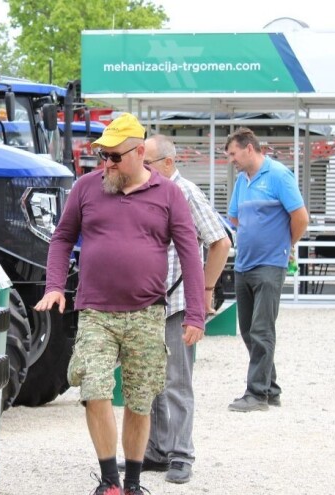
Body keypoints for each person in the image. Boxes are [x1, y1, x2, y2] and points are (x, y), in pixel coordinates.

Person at [35, 114, 205, 495]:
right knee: (94, 389)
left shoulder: (169, 194)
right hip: (96, 312)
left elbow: (191, 254)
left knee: (140, 400)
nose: (106, 164)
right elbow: (62, 239)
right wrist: (55, 286)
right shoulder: (85, 188)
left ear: (140, 152)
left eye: (114, 156)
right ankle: (109, 480)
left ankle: (132, 484)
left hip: (147, 314)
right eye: (102, 155)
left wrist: (195, 312)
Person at [128, 134, 232, 484]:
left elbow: (220, 242)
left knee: (177, 382)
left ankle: (182, 454)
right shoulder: (145, 191)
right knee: (151, 379)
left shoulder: (185, 192)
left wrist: (204, 289)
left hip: (175, 304)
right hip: (146, 305)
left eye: (147, 163)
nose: (140, 169)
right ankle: (157, 450)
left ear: (168, 164)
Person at [225, 127, 309, 413]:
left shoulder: (279, 175)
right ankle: (271, 389)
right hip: (244, 263)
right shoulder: (241, 180)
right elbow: (234, 216)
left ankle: (256, 394)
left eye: (233, 154)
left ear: (250, 148)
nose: (231, 160)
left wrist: (284, 245)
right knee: (248, 330)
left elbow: (300, 217)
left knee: (262, 329)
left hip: (270, 264)